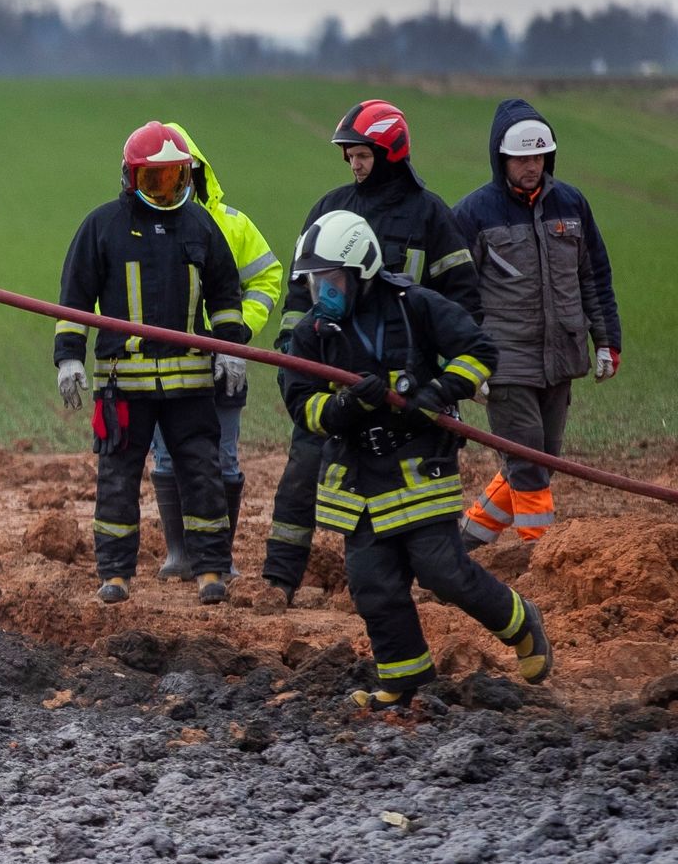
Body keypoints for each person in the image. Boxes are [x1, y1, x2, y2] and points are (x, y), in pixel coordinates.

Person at [279, 210, 551, 709]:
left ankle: (519, 622)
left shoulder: (414, 307)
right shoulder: (313, 334)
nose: (323, 294)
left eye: (331, 280)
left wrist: (441, 389)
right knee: (372, 587)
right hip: (357, 479)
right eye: (316, 282)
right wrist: (343, 406)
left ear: (362, 271)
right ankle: (405, 684)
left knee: (442, 571)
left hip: (417, 467)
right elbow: (302, 406)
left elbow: (477, 350)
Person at [261, 100, 480, 607]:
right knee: (303, 470)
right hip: (336, 376)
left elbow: (462, 297)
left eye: (363, 154)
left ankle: (429, 577)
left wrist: (451, 376)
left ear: (390, 152)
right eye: (350, 156)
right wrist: (293, 355)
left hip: (407, 384)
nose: (355, 164)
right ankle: (278, 579)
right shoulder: (330, 209)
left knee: (413, 483)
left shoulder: (430, 215)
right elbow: (301, 294)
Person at [55, 121, 251, 606]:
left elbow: (226, 297)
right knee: (117, 479)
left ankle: (209, 569)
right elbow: (73, 301)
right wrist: (68, 359)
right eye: (154, 181)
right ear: (130, 178)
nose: (166, 193)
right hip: (125, 385)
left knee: (202, 475)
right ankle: (115, 574)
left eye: (176, 180)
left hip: (189, 384)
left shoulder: (201, 226)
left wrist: (230, 347)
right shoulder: (101, 227)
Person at [453, 98, 623, 547]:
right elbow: (454, 296)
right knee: (527, 462)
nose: (532, 166)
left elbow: (594, 276)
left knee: (540, 460)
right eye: (521, 158)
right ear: (501, 159)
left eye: (538, 157)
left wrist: (607, 341)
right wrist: (465, 363)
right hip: (504, 361)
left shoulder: (572, 204)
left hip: (561, 354)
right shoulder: (473, 214)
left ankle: (464, 541)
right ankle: (540, 555)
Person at [148, 122, 284, 580]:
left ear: (194, 171)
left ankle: (218, 559)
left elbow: (266, 279)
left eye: (175, 173)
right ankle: (179, 554)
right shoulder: (140, 228)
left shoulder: (232, 225)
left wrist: (238, 336)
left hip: (221, 364)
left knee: (222, 456)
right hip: (164, 366)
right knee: (167, 456)